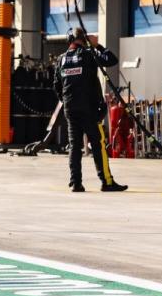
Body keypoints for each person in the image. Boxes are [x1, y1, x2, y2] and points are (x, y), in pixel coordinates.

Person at [53, 28, 127, 192]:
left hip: (70, 109)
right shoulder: (88, 54)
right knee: (98, 144)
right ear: (84, 39)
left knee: (74, 146)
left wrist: (65, 101)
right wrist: (97, 45)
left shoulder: (61, 59)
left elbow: (56, 86)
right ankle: (107, 182)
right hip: (89, 109)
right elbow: (111, 60)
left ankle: (76, 183)